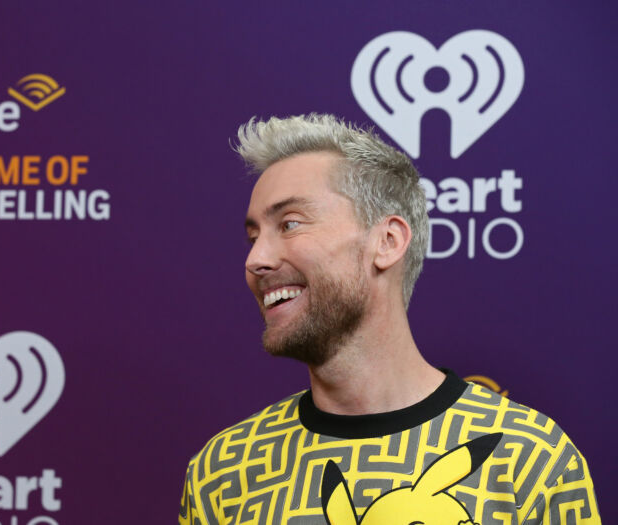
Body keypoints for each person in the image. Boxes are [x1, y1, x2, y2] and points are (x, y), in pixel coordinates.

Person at [179, 114, 600, 524]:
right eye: (254, 238)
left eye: (289, 224)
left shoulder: (531, 461)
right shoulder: (223, 475)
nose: (256, 260)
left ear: (387, 241)